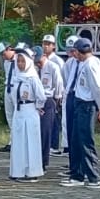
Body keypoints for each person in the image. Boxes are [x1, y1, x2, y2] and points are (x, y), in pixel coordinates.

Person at [62, 37, 100, 188]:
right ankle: (77, 175)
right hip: (79, 102)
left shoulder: (91, 64)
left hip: (87, 105)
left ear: (81, 52)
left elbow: (97, 87)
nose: (74, 55)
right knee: (75, 140)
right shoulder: (83, 63)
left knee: (86, 141)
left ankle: (95, 177)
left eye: (76, 52)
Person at [7, 46, 46, 182]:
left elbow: (41, 96)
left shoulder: (33, 78)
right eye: (18, 61)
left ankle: (31, 172)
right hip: (19, 111)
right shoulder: (17, 78)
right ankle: (18, 170)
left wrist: (38, 107)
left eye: (23, 61)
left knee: (30, 142)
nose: (20, 64)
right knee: (18, 142)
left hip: (30, 110)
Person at [38, 35, 66, 168]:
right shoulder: (36, 64)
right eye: (44, 43)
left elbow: (59, 81)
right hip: (38, 99)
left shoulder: (56, 62)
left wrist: (57, 97)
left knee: (50, 126)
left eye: (49, 44)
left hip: (50, 97)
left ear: (54, 46)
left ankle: (53, 147)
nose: (46, 46)